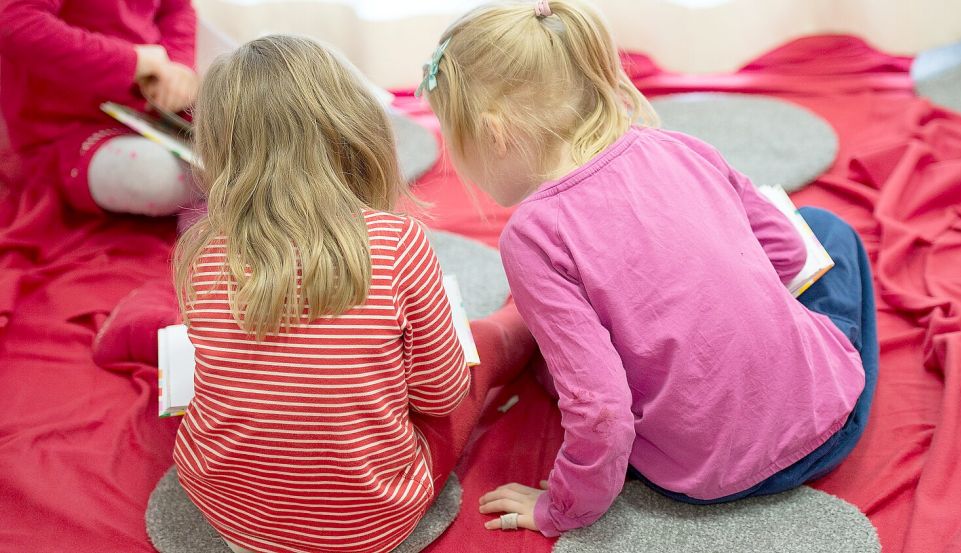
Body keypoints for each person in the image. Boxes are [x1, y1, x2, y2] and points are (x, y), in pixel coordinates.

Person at [419, 0, 878, 537]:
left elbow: (603, 409)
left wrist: (564, 509)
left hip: (701, 475)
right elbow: (788, 254)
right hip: (831, 423)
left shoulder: (532, 236)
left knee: (574, 359)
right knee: (827, 229)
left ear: (494, 135)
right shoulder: (681, 146)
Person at [170, 35, 534, 553]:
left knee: (196, 357)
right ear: (357, 132)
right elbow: (439, 396)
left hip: (225, 511)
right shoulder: (396, 242)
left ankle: (137, 338)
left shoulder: (203, 251)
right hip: (369, 521)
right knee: (484, 346)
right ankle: (522, 320)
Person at [0, 0, 199, 216]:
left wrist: (179, 66)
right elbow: (16, 22)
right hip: (63, 126)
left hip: (151, 106)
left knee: (232, 133)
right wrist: (132, 61)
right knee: (160, 176)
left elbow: (177, 9)